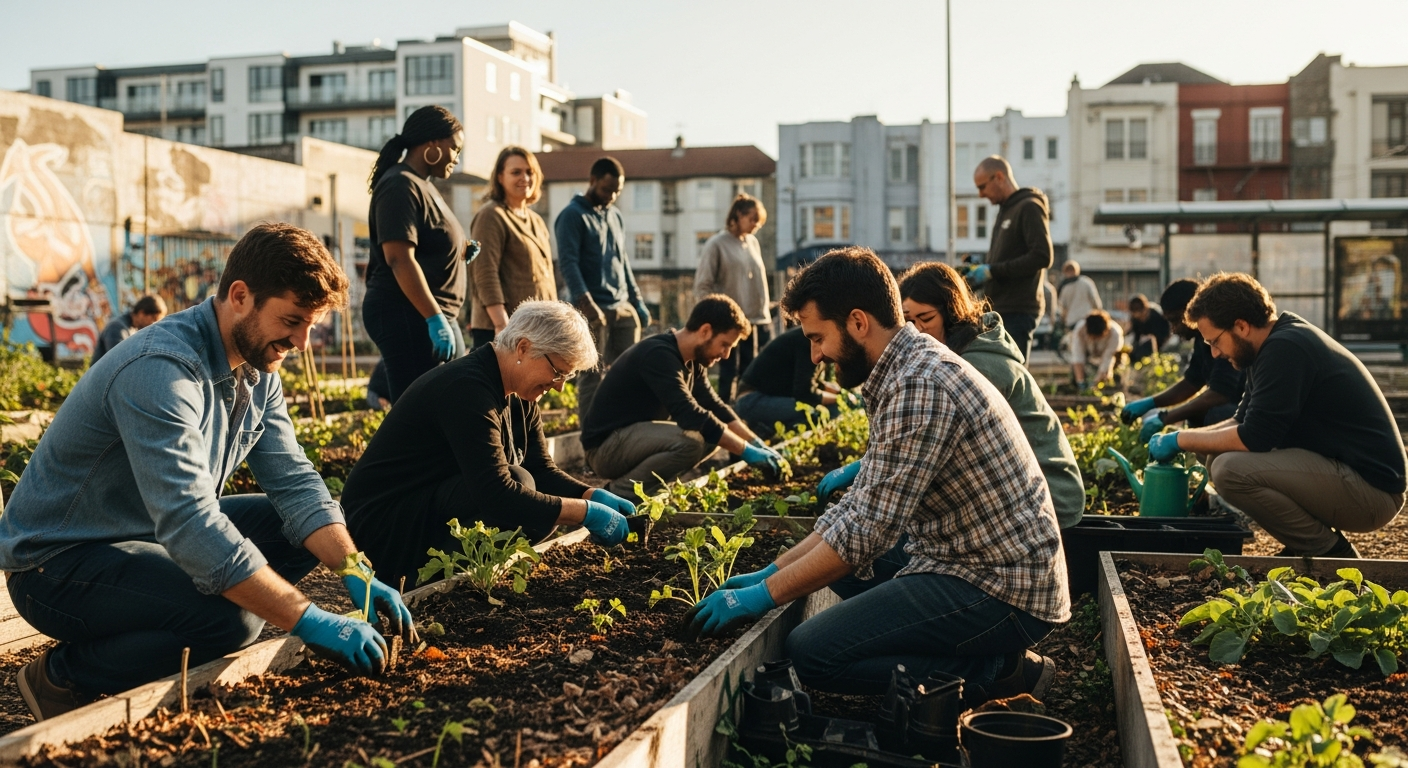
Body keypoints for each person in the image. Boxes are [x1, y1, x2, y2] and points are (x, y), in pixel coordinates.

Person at [0, 224, 414, 721]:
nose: (302, 342)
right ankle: (63, 676)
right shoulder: (162, 369)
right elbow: (189, 520)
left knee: (294, 529)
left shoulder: (258, 370)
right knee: (233, 622)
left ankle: (168, 613)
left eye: (311, 324)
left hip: (146, 537)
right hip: (57, 564)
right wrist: (306, 618)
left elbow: (295, 482)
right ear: (240, 296)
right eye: (292, 320)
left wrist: (355, 571)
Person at [684, 247, 1068, 704]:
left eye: (818, 338)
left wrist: (763, 595)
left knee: (812, 652)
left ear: (858, 322)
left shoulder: (919, 384)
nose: (815, 356)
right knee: (839, 571)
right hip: (965, 556)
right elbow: (860, 506)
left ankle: (999, 671)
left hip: (1003, 589)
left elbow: (866, 533)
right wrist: (772, 571)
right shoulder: (904, 366)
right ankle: (960, 647)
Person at [342, 301, 637, 588]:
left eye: (567, 376)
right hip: (383, 527)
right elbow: (496, 493)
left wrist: (591, 495)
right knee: (520, 487)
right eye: (558, 372)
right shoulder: (467, 389)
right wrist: (585, 512)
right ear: (523, 348)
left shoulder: (519, 392)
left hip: (425, 505)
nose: (559, 385)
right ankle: (421, 580)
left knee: (532, 491)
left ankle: (458, 576)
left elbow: (540, 468)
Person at [1148, 273, 1406, 558]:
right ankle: (1304, 543)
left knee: (1228, 470)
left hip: (1372, 493)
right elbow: (1240, 420)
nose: (1214, 353)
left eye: (1215, 341)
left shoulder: (1286, 348)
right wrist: (1180, 436)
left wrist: (1180, 440)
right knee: (1212, 454)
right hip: (1344, 474)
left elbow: (1253, 437)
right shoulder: (1267, 346)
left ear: (1241, 326)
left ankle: (1329, 552)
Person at [894, 262, 1085, 528]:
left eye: (926, 318)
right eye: (908, 321)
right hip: (1017, 485)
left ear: (951, 313)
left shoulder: (976, 365)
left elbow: (929, 444)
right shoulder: (956, 353)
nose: (917, 329)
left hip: (1052, 497)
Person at [581, 295, 784, 498]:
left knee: (714, 436)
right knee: (691, 442)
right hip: (605, 449)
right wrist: (746, 451)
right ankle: (615, 494)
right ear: (705, 331)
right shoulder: (658, 354)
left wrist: (756, 442)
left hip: (631, 441)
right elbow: (689, 414)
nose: (726, 354)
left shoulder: (693, 361)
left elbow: (715, 406)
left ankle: (650, 490)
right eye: (724, 344)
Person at [363, 106, 471, 403]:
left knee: (444, 405)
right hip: (408, 312)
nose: (457, 158)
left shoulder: (423, 185)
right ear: (432, 144)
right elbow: (399, 258)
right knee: (419, 411)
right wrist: (433, 318)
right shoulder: (399, 184)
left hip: (431, 312)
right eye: (454, 148)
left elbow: (427, 240)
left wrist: (460, 250)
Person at [555, 157, 651, 421]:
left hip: (621, 307)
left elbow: (623, 261)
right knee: (592, 375)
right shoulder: (572, 216)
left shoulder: (615, 215)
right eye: (607, 190)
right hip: (592, 309)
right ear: (593, 181)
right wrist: (585, 302)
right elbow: (568, 263)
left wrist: (637, 300)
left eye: (617, 192)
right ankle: (590, 436)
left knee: (627, 373)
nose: (611, 196)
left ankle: (622, 429)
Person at [1120, 279, 1244, 442]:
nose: (1173, 329)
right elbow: (1192, 381)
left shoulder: (1222, 333)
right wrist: (1150, 403)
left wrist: (1166, 418)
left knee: (1211, 414)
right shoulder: (1201, 340)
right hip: (1238, 409)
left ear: (1191, 311)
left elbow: (1220, 394)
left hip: (1249, 413)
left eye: (1175, 320)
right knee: (1197, 415)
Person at [964, 156, 1053, 362]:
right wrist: (981, 269)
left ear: (999, 177)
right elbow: (1006, 257)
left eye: (982, 187)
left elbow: (1042, 256)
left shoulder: (1029, 206)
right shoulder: (1005, 211)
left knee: (1012, 375)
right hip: (1002, 308)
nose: (981, 194)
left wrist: (992, 271)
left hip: (1018, 309)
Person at [468, 146, 556, 350]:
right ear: (500, 177)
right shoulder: (491, 215)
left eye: (529, 172)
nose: (525, 178)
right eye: (516, 172)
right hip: (502, 331)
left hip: (535, 329)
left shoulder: (536, 221)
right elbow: (484, 273)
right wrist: (502, 324)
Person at [695, 193, 773, 402]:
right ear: (738, 215)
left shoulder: (753, 242)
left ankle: (745, 410)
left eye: (759, 221)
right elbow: (703, 284)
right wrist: (713, 315)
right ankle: (723, 411)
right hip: (728, 320)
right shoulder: (716, 244)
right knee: (728, 370)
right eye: (753, 219)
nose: (756, 225)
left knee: (749, 371)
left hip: (753, 319)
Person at [733, 326, 847, 438]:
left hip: (763, 398)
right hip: (752, 401)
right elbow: (805, 394)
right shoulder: (809, 342)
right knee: (825, 412)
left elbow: (812, 383)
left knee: (833, 404)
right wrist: (841, 399)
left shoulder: (814, 337)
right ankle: (766, 434)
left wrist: (841, 393)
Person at [91, 295, 167, 364]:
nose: (154, 324)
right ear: (141, 313)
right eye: (154, 319)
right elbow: (120, 362)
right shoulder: (117, 328)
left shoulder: (132, 328)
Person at [1071, 309, 1124, 390]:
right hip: (1088, 354)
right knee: (1076, 375)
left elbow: (1108, 358)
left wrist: (1097, 381)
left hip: (1109, 356)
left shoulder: (1115, 334)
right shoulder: (1080, 330)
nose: (1094, 339)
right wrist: (1080, 382)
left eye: (1097, 337)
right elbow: (1078, 356)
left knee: (1113, 375)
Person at [1057, 261, 1101, 331]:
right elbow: (1095, 301)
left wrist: (1063, 321)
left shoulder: (1064, 287)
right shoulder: (1087, 282)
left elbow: (1062, 308)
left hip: (1072, 321)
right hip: (1087, 319)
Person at [1126, 294, 1171, 360]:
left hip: (1166, 341)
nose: (1140, 318)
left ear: (1145, 310)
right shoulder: (1135, 319)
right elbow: (1137, 336)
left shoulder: (1157, 315)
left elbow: (1166, 333)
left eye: (1141, 315)